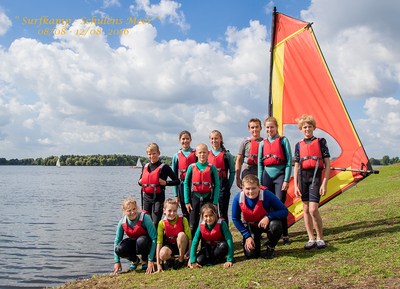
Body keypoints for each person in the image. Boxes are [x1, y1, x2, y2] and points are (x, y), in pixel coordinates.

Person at [293, 114, 330, 250]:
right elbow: (296, 166)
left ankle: (320, 238)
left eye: (309, 127)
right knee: (306, 209)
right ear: (301, 129)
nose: (307, 129)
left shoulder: (321, 142)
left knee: (314, 209)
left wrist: (324, 183)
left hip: (315, 177)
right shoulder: (298, 145)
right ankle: (311, 238)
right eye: (304, 127)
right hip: (303, 178)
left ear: (313, 128)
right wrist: (296, 185)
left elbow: (327, 164)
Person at [232, 174, 288, 259]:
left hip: (265, 225)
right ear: (243, 188)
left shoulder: (267, 195)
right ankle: (254, 241)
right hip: (251, 227)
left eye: (253, 188)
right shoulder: (238, 198)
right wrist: (247, 236)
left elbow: (284, 211)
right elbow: (235, 219)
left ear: (259, 187)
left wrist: (268, 217)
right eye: (247, 189)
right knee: (251, 255)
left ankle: (271, 247)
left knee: (275, 226)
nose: (251, 192)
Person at [257, 117, 292, 245]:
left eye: (272, 127)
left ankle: (285, 236)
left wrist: (286, 180)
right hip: (267, 175)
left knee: (280, 205)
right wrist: (260, 183)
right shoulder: (262, 143)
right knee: (267, 206)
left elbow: (289, 161)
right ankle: (271, 236)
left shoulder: (283, 140)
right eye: (267, 127)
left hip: (280, 175)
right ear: (264, 128)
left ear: (276, 127)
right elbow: (260, 164)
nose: (269, 129)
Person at [139, 143, 180, 227]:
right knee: (146, 221)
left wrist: (165, 183)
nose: (152, 156)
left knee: (155, 222)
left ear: (159, 153)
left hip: (158, 198)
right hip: (146, 198)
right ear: (147, 154)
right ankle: (147, 239)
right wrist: (140, 182)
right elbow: (140, 182)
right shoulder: (145, 166)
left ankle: (157, 239)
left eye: (154, 153)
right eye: (150, 154)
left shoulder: (164, 167)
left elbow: (177, 181)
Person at [184, 143, 220, 238]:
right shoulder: (191, 168)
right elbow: (186, 184)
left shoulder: (212, 168)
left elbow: (217, 185)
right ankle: (191, 248)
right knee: (192, 225)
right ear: (196, 154)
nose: (202, 155)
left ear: (208, 153)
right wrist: (187, 201)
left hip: (208, 198)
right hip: (194, 199)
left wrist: (215, 202)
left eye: (204, 152)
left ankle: (205, 247)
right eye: (200, 152)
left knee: (207, 224)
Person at [113, 198, 157, 274]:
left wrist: (151, 259)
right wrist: (117, 261)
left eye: (134, 209)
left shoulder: (145, 218)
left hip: (146, 243)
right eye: (129, 211)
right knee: (119, 249)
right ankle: (135, 260)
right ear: (124, 212)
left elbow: (154, 238)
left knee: (141, 241)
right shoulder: (122, 222)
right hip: (135, 242)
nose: (132, 212)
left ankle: (144, 260)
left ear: (137, 208)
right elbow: (117, 241)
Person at [190, 203, 234, 268]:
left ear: (215, 215)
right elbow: (194, 242)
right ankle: (212, 259)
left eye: (211, 215)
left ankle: (218, 258)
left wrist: (229, 259)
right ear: (202, 216)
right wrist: (193, 261)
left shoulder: (222, 224)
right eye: (206, 216)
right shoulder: (201, 226)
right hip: (208, 249)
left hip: (219, 247)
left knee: (223, 246)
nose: (208, 218)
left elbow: (229, 239)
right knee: (199, 260)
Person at [155, 198, 192, 272]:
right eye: (169, 211)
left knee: (181, 235)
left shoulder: (183, 219)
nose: (172, 213)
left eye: (174, 211)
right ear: (164, 211)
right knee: (162, 254)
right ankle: (171, 258)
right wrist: (158, 264)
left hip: (182, 245)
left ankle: (181, 260)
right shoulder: (161, 223)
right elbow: (159, 242)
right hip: (170, 246)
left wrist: (191, 258)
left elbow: (190, 239)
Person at [208, 130, 235, 225]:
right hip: (211, 186)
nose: (214, 140)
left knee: (223, 212)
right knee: (211, 212)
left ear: (220, 139)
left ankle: (225, 234)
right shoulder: (207, 154)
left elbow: (232, 171)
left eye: (216, 138)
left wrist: (228, 186)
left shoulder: (227, 155)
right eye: (212, 138)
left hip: (223, 185)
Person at [172, 131, 197, 220]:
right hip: (181, 186)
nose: (185, 141)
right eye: (183, 139)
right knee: (185, 211)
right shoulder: (176, 156)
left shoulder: (196, 153)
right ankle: (187, 231)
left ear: (190, 140)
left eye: (187, 139)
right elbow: (174, 177)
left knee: (194, 210)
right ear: (179, 140)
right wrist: (176, 195)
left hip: (194, 185)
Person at [235, 118, 263, 189]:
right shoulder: (245, 142)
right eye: (252, 127)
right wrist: (237, 177)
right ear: (249, 129)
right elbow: (239, 160)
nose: (255, 129)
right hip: (247, 170)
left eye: (257, 127)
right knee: (246, 191)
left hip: (260, 171)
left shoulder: (264, 142)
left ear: (261, 128)